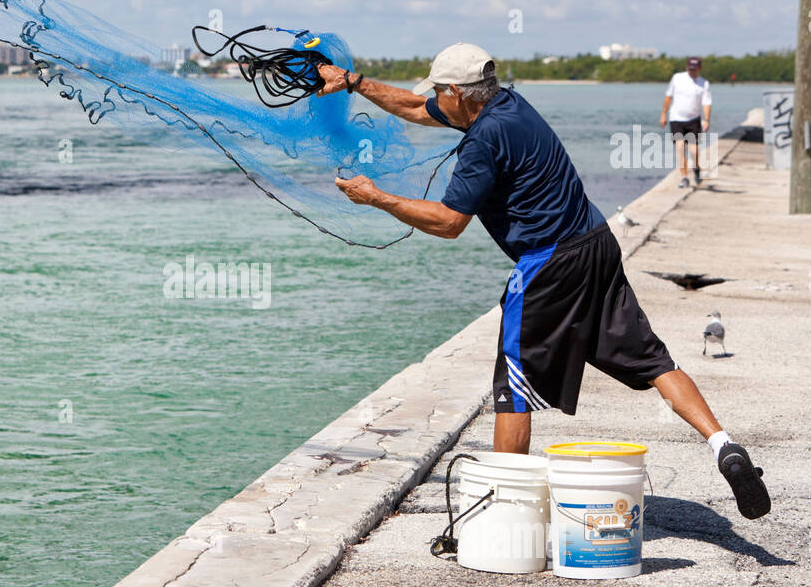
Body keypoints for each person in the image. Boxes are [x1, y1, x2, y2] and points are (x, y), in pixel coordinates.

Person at [318, 43, 769, 519]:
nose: (434, 101)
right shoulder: (509, 103)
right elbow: (415, 108)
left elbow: (449, 223)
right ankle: (723, 445)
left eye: (440, 93)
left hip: (549, 266)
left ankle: (505, 511)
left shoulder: (481, 143)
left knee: (514, 386)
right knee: (654, 361)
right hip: (597, 244)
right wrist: (353, 82)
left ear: (457, 91)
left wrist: (376, 198)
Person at [660, 56, 711, 187]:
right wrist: (663, 114)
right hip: (676, 118)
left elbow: (706, 103)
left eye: (694, 69)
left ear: (699, 69)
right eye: (690, 69)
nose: (691, 71)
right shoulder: (677, 78)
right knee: (680, 146)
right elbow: (668, 96)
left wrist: (706, 119)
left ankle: (697, 168)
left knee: (694, 150)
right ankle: (684, 177)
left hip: (694, 120)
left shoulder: (704, 83)